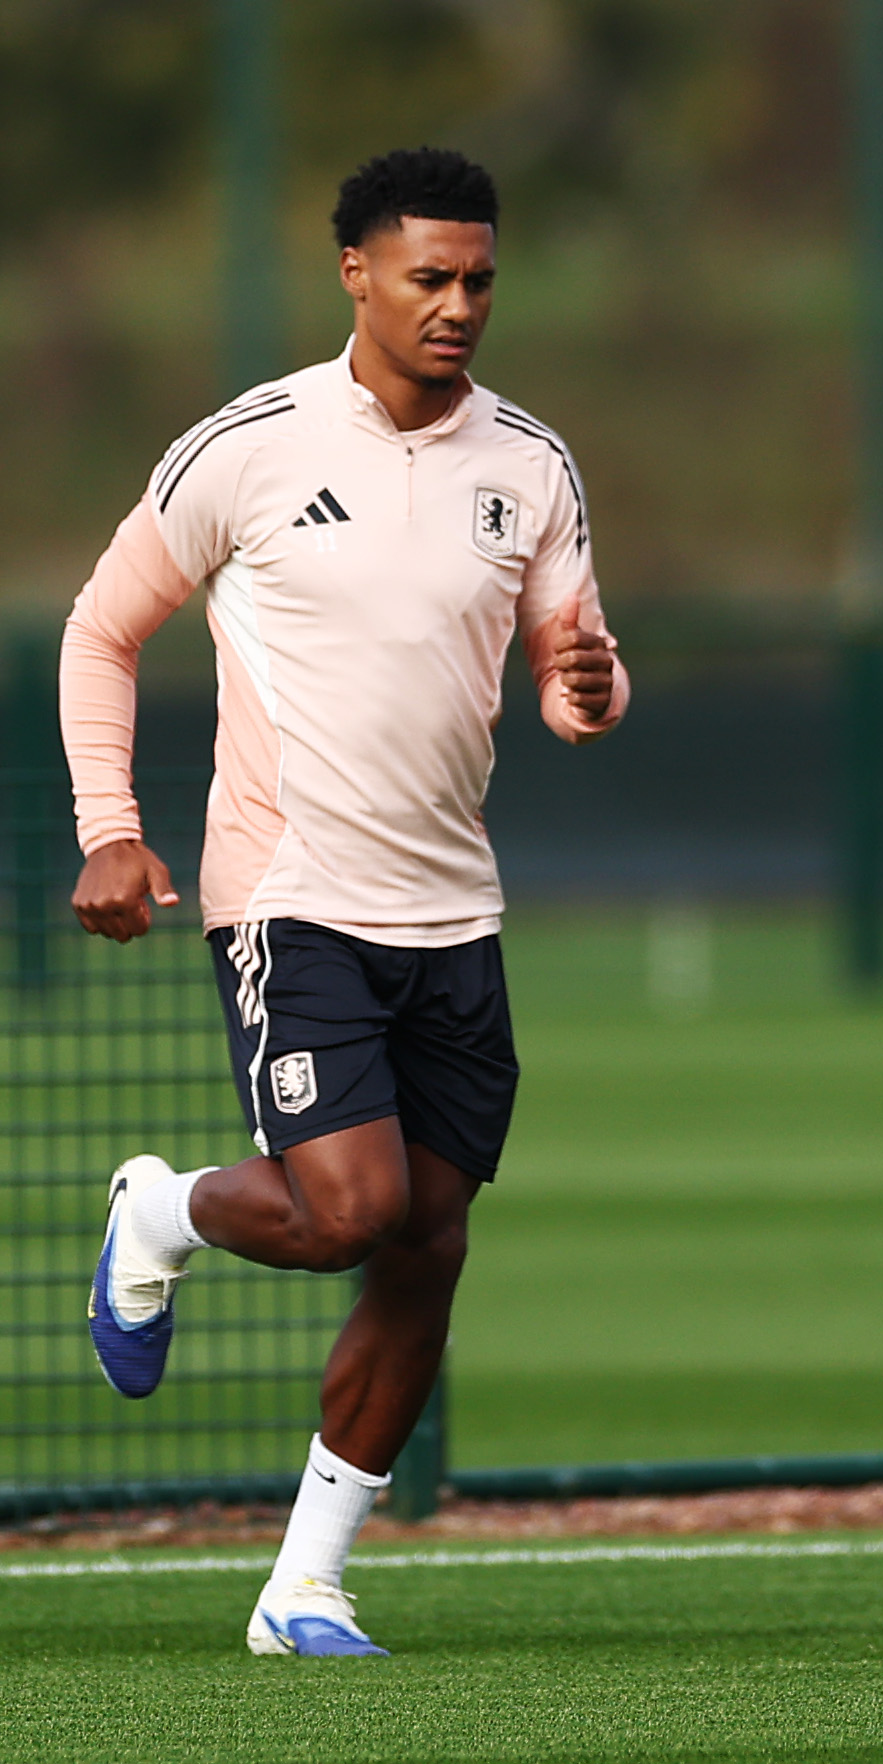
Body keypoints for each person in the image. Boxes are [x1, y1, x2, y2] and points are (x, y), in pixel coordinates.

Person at [65, 147, 627, 1657]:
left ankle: (305, 1584)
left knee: (426, 1244)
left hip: (455, 910)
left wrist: (592, 685)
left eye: (480, 280)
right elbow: (102, 627)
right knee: (348, 1212)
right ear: (356, 276)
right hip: (292, 895)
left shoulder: (533, 465)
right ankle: (160, 1208)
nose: (458, 305)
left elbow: (575, 675)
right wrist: (110, 829)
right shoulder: (246, 447)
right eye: (429, 276)